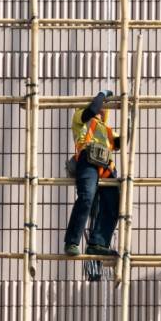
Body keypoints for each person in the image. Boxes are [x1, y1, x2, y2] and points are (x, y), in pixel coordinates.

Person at [64, 89, 122, 257]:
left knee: (113, 203)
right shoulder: (81, 116)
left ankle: (98, 242)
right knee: (86, 197)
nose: (102, 108)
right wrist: (102, 95)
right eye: (101, 105)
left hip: (106, 167)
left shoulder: (107, 130)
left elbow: (122, 141)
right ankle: (72, 242)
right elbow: (91, 110)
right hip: (88, 160)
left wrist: (130, 119)